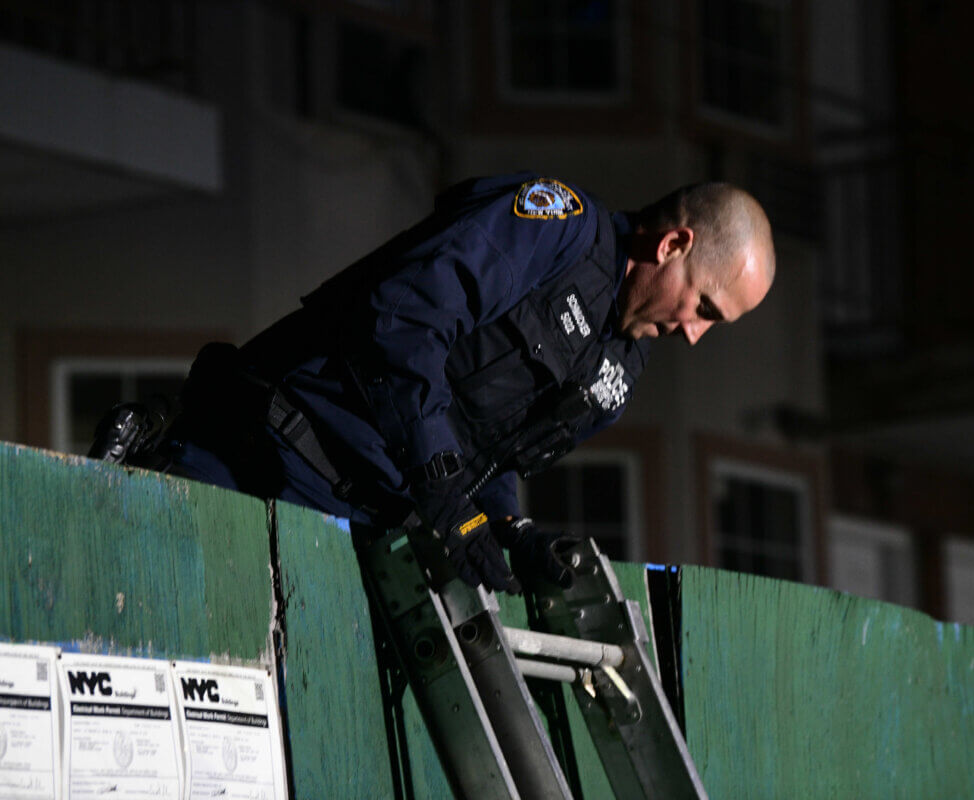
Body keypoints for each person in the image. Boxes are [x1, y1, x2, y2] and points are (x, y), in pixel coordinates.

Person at [158, 172, 774, 594]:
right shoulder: (556, 227)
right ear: (673, 244)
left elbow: (489, 444)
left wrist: (509, 528)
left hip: (347, 538)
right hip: (263, 463)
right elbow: (402, 320)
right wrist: (442, 486)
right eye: (706, 308)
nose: (694, 334)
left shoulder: (619, 364)